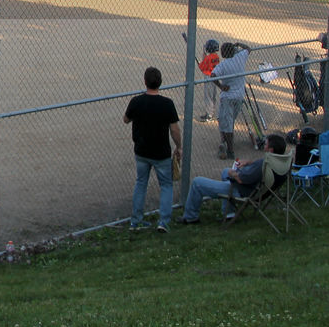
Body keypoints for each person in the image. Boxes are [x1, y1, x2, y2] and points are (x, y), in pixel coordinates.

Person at [123, 66, 183, 232]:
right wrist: (179, 147)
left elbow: (125, 120)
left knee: (141, 183)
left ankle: (135, 221)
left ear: (145, 82)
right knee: (166, 185)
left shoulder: (136, 101)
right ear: (160, 83)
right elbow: (175, 130)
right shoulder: (167, 104)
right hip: (161, 153)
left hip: (141, 151)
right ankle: (163, 221)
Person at [181, 134, 287, 224]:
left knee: (197, 182)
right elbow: (254, 169)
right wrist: (248, 162)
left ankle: (190, 217)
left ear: (271, 149)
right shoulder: (278, 162)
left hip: (242, 191)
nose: (264, 145)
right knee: (224, 171)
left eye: (266, 144)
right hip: (256, 191)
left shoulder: (262, 164)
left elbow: (240, 179)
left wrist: (233, 173)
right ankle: (229, 213)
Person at [210, 41, 250, 159]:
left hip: (227, 97)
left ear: (223, 54)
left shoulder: (223, 65)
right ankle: (224, 141)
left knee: (226, 123)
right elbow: (248, 48)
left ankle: (230, 150)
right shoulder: (240, 57)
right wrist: (239, 44)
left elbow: (213, 76)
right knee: (227, 120)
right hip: (239, 96)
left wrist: (221, 86)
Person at [195, 38, 221, 122]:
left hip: (208, 78)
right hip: (215, 77)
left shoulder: (208, 58)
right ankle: (211, 112)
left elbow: (201, 67)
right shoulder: (216, 56)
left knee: (208, 96)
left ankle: (209, 115)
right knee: (213, 95)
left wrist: (203, 54)